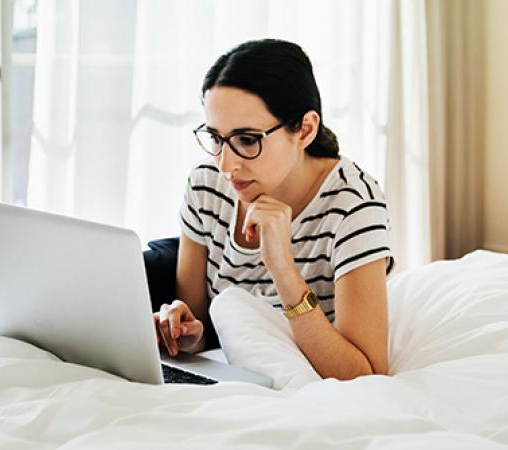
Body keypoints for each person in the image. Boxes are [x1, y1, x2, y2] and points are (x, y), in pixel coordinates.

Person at [153, 39, 395, 381]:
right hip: (233, 381)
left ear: (305, 129)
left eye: (247, 140)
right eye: (216, 138)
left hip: (307, 388)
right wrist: (186, 334)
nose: (226, 164)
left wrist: (282, 268)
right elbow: (202, 327)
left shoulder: (354, 204)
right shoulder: (206, 185)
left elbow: (366, 374)